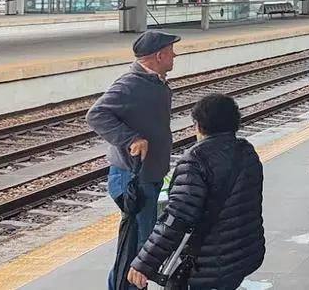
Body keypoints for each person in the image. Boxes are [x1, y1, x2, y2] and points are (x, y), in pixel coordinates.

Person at [126, 94, 264, 290]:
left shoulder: (196, 160)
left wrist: (144, 262)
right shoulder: (246, 152)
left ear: (199, 126)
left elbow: (177, 218)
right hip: (244, 251)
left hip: (210, 262)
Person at [87, 30, 178, 290]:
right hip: (132, 177)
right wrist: (131, 139)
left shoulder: (155, 82)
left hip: (147, 175)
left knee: (140, 243)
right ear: (159, 56)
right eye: (172, 52)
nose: (175, 56)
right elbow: (96, 114)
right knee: (137, 247)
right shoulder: (130, 84)